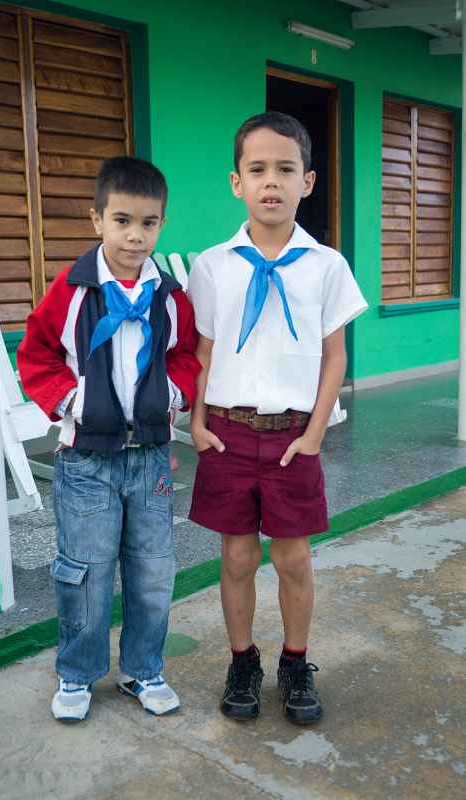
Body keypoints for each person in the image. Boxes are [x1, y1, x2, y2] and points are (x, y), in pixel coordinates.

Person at [188, 111, 367, 725]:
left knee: (293, 560)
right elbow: (203, 351)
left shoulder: (327, 265)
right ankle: (243, 662)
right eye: (257, 168)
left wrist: (314, 435)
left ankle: (295, 662)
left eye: (286, 169)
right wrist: (197, 423)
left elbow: (334, 356)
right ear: (236, 182)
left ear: (307, 182)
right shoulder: (213, 266)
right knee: (237, 559)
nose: (272, 181)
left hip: (293, 437)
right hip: (228, 434)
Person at [18, 156, 200, 722]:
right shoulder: (71, 291)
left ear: (162, 224)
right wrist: (71, 401)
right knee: (85, 573)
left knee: (152, 572)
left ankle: (144, 669)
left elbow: (186, 355)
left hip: (150, 461)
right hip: (85, 463)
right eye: (122, 221)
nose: (134, 235)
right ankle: (77, 673)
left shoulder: (169, 296)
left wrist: (173, 394)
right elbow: (37, 354)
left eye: (148, 223)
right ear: (97, 219)